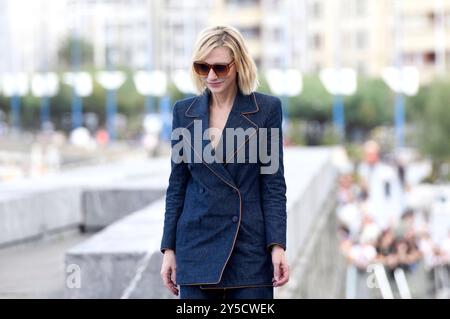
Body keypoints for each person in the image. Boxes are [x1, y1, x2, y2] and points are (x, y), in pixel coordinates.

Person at [160, 25, 289, 299]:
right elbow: (177, 186)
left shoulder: (266, 110)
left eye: (220, 68)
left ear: (238, 65)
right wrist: (168, 249)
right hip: (196, 250)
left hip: (248, 253)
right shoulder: (184, 113)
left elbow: (273, 184)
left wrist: (277, 245)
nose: (210, 75)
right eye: (201, 67)